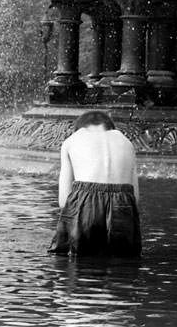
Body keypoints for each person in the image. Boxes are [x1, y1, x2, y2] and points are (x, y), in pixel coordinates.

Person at [48, 110, 141, 257]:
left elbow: (63, 201)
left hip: (86, 201)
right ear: (110, 127)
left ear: (80, 127)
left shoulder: (72, 140)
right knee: (123, 262)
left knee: (76, 260)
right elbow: (135, 198)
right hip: (123, 202)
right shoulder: (126, 142)